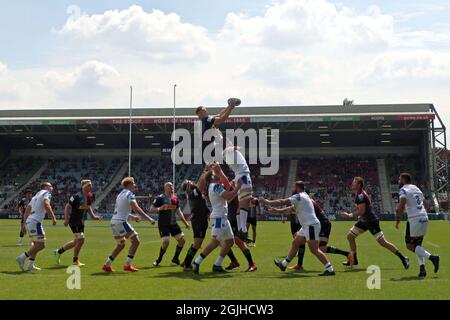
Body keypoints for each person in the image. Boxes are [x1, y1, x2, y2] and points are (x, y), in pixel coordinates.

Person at [261, 181, 335, 276]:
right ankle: (284, 264)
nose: (292, 188)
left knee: (314, 250)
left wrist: (268, 202)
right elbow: (291, 208)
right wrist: (277, 211)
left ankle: (330, 269)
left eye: (293, 186)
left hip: (311, 225)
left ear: (297, 187)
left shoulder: (299, 196)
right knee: (295, 243)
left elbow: (283, 201)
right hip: (306, 226)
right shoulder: (304, 196)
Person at [340, 176, 409, 269]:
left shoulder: (360, 195)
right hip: (364, 221)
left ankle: (403, 258)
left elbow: (362, 210)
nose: (352, 184)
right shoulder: (360, 193)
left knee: (382, 242)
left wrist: (349, 215)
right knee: (350, 236)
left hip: (371, 221)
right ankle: (354, 259)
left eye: (354, 182)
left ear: (359, 184)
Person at [192, 164, 243, 274]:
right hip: (219, 217)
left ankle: (217, 265)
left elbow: (228, 199)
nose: (219, 173)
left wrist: (234, 190)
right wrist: (238, 188)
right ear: (212, 177)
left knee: (230, 241)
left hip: (222, 217)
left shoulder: (213, 186)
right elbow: (229, 197)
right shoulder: (216, 186)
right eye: (216, 173)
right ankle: (197, 261)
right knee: (215, 242)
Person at [102, 177, 155, 273]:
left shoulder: (120, 194)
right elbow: (136, 208)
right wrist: (149, 218)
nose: (135, 185)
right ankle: (127, 265)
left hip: (114, 222)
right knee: (136, 241)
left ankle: (107, 265)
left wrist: (132, 216)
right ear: (129, 185)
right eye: (133, 183)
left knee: (120, 245)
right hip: (121, 222)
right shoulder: (130, 194)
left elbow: (120, 210)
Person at [395, 173, 440, 277]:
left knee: (410, 245)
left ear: (403, 180)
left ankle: (433, 258)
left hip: (414, 219)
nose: (398, 181)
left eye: (399, 179)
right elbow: (426, 204)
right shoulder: (416, 188)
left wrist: (397, 220)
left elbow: (401, 207)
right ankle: (422, 269)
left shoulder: (403, 190)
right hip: (424, 217)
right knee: (417, 245)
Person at [54, 179, 101, 266]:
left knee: (76, 241)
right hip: (74, 221)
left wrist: (93, 216)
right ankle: (75, 260)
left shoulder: (90, 196)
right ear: (85, 186)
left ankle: (58, 252)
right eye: (89, 185)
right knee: (81, 239)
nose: (91, 187)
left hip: (81, 221)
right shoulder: (76, 196)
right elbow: (67, 207)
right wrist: (66, 219)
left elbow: (88, 207)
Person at [16, 182, 57, 271]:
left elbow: (27, 210)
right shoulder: (46, 193)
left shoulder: (36, 196)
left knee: (36, 244)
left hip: (30, 222)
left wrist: (24, 224)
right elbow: (46, 204)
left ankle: (30, 264)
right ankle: (22, 257)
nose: (52, 188)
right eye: (51, 186)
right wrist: (53, 217)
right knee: (41, 245)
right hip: (35, 222)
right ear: (45, 187)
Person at [150, 182, 191, 266]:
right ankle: (158, 260)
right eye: (169, 186)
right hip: (163, 224)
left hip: (173, 224)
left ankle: (175, 259)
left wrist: (186, 223)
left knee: (182, 241)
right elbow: (151, 209)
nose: (172, 187)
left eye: (172, 186)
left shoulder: (175, 198)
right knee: (166, 242)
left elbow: (178, 211)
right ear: (165, 188)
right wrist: (160, 208)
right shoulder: (160, 198)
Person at [180, 178, 210, 270]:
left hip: (199, 220)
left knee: (196, 244)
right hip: (199, 220)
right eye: (190, 182)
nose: (193, 183)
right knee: (197, 244)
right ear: (188, 187)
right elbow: (201, 183)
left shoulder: (193, 193)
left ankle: (185, 261)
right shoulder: (193, 193)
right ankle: (187, 264)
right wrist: (206, 170)